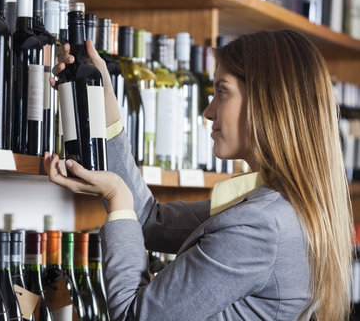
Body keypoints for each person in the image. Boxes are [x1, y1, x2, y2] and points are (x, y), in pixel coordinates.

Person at [44, 29, 353, 320]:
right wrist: (105, 101)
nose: (208, 111)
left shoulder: (260, 226)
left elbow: (132, 315)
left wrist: (116, 195)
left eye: (222, 92)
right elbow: (152, 221)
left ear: (267, 102)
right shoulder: (279, 207)